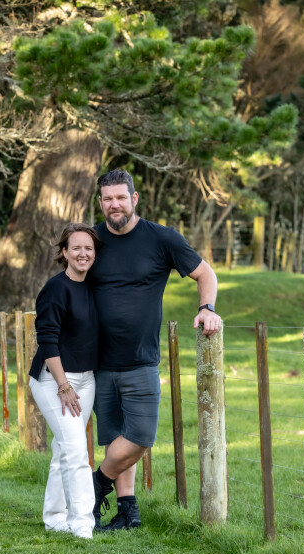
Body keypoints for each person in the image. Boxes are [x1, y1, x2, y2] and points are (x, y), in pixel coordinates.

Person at [89, 169, 222, 531]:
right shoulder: (92, 241)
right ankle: (127, 511)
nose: (114, 204)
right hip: (98, 362)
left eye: (121, 197)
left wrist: (206, 308)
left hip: (141, 360)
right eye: (107, 199)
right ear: (100, 203)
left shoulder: (162, 239)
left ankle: (94, 486)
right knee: (115, 438)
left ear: (134, 199)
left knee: (140, 436)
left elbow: (205, 274)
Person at [29, 222, 101, 539]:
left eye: (88, 248)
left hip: (86, 379)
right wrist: (63, 386)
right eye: (76, 248)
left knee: (63, 450)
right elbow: (47, 340)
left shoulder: (95, 286)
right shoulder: (56, 289)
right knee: (76, 449)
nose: (83, 253)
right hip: (53, 380)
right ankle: (83, 522)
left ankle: (55, 517)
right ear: (64, 253)